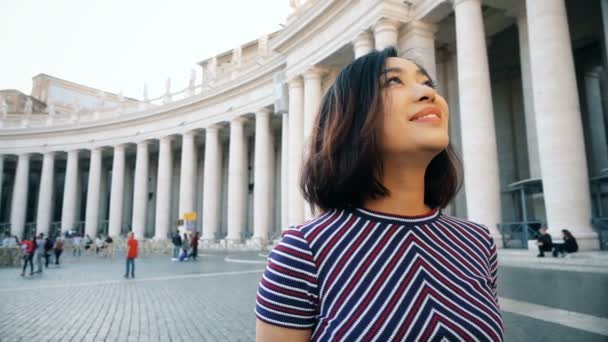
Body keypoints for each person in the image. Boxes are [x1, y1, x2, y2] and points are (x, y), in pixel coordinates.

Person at [255, 48, 504, 341]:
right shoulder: (304, 251)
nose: (427, 93)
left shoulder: (476, 241)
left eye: (427, 83)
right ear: (352, 118)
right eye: (394, 82)